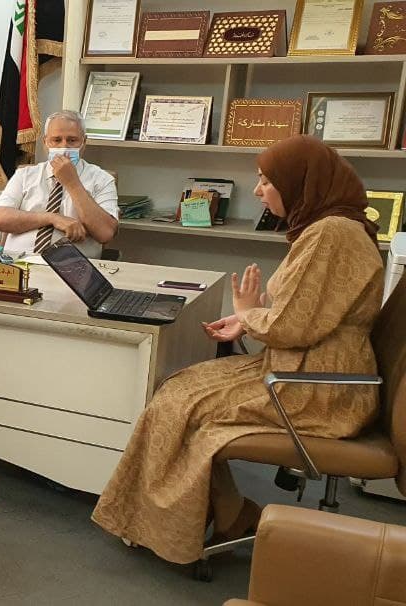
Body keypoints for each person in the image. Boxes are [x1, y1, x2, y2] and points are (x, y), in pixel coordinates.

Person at [92, 135, 385, 565]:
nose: (258, 191)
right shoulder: (328, 226)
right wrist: (248, 317)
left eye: (267, 180)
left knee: (180, 403)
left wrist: (248, 316)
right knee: (179, 388)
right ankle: (229, 513)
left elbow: (290, 326)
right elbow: (303, 317)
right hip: (303, 369)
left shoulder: (332, 233)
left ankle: (191, 522)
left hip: (317, 388)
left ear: (299, 181)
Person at [0, 110, 120, 258]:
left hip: (71, 266)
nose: (64, 147)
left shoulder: (102, 179)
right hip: (17, 263)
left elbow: (105, 233)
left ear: (84, 142)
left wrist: (72, 183)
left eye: (72, 140)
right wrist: (52, 218)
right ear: (45, 142)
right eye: (56, 140)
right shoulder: (25, 175)